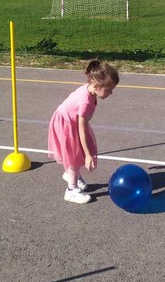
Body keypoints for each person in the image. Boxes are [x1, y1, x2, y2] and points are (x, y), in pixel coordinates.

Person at [48, 60, 119, 203]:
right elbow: (81, 129)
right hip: (66, 125)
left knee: (82, 150)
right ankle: (71, 190)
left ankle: (71, 174)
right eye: (109, 90)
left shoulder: (90, 89)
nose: (111, 93)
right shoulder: (85, 102)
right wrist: (87, 155)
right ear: (97, 86)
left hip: (71, 122)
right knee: (75, 156)